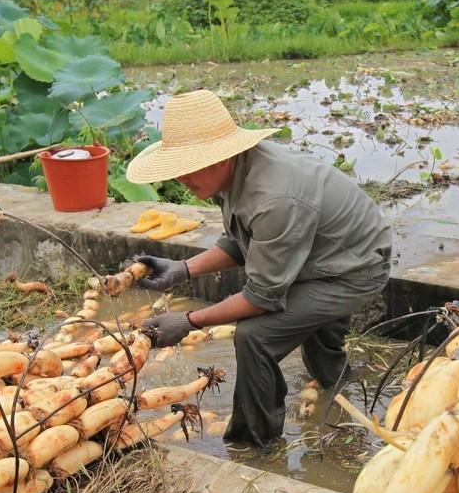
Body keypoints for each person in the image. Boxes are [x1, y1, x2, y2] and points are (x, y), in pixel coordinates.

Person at [124, 89, 392, 447]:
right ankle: (335, 383)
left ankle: (253, 444)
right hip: (323, 253)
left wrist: (188, 322)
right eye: (178, 171)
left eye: (187, 170)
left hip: (354, 270)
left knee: (256, 336)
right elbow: (242, 242)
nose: (182, 181)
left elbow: (262, 298)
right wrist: (183, 269)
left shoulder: (273, 197)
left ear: (219, 157)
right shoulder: (234, 173)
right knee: (308, 326)